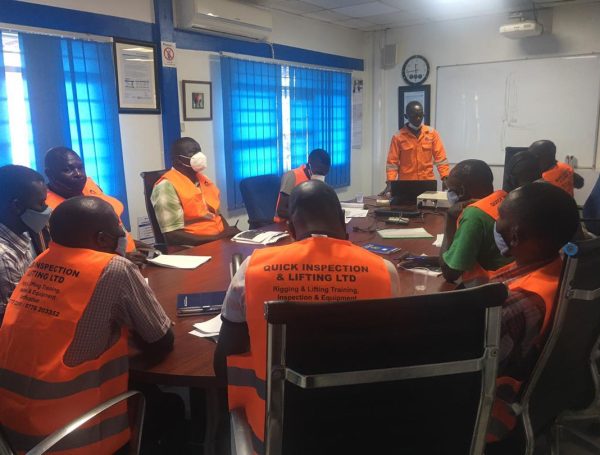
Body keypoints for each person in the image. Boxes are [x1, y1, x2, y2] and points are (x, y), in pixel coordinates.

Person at [215, 180, 401, 452]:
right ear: (343, 221)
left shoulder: (252, 269)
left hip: (272, 434)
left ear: (290, 228)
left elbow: (223, 361)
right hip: (358, 429)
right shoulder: (384, 272)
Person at [0, 196, 174, 453]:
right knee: (169, 406)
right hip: (73, 435)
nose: (123, 235)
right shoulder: (113, 267)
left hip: (16, 429)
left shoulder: (40, 262)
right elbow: (160, 341)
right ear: (102, 238)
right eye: (118, 229)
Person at [483, 182, 580, 445]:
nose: (496, 223)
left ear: (515, 236)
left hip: (491, 408)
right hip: (543, 398)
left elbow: (469, 365)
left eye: (500, 216)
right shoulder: (560, 269)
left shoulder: (515, 306)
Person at [44, 146, 139, 256]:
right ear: (49, 174)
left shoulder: (90, 187)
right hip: (103, 262)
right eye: (67, 170)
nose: (78, 174)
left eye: (81, 168)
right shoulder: (46, 209)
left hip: (130, 255)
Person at [151, 137, 238, 246]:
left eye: (199, 151)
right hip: (192, 247)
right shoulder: (166, 187)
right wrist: (218, 238)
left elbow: (217, 215)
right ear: (178, 161)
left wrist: (229, 234)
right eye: (192, 153)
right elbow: (172, 235)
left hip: (219, 241)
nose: (199, 156)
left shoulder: (204, 180)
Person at [440, 160, 512, 283]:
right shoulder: (504, 197)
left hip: (490, 288)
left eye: (451, 190)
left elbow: (450, 272)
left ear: (462, 190)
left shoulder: (474, 215)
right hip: (511, 279)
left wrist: (450, 218)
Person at [0, 165, 51, 323]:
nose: (47, 209)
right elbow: (15, 317)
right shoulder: (3, 257)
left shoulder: (24, 233)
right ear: (16, 206)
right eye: (41, 203)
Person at [385, 101, 449, 186]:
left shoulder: (432, 133)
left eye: (420, 115)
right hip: (406, 183)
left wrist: (445, 177)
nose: (418, 118)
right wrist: (390, 183)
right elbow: (392, 163)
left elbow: (441, 158)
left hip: (427, 182)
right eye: (414, 115)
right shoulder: (398, 137)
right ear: (406, 116)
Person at [274, 148, 331, 222]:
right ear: (309, 165)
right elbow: (281, 210)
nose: (321, 175)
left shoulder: (317, 180)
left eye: (324, 173)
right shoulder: (292, 176)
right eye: (318, 172)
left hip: (306, 223)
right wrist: (306, 216)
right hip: (284, 223)